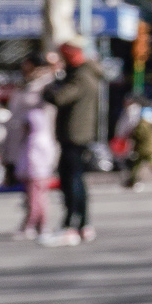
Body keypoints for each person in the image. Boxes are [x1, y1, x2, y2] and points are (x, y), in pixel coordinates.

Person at [46, 41, 105, 243]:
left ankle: (73, 223)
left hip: (75, 135)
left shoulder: (80, 77)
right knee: (75, 179)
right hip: (77, 134)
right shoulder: (86, 74)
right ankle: (81, 224)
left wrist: (53, 80)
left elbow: (59, 98)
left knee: (72, 180)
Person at [14, 70, 57, 240]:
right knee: (40, 192)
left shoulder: (34, 112)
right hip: (41, 153)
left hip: (36, 154)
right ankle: (39, 224)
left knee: (35, 192)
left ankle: (32, 223)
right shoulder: (45, 112)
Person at [120, 94, 152, 190]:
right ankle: (132, 180)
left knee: (145, 160)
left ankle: (134, 180)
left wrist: (126, 136)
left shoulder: (135, 112)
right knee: (144, 160)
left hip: (142, 142)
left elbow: (129, 127)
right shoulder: (151, 113)